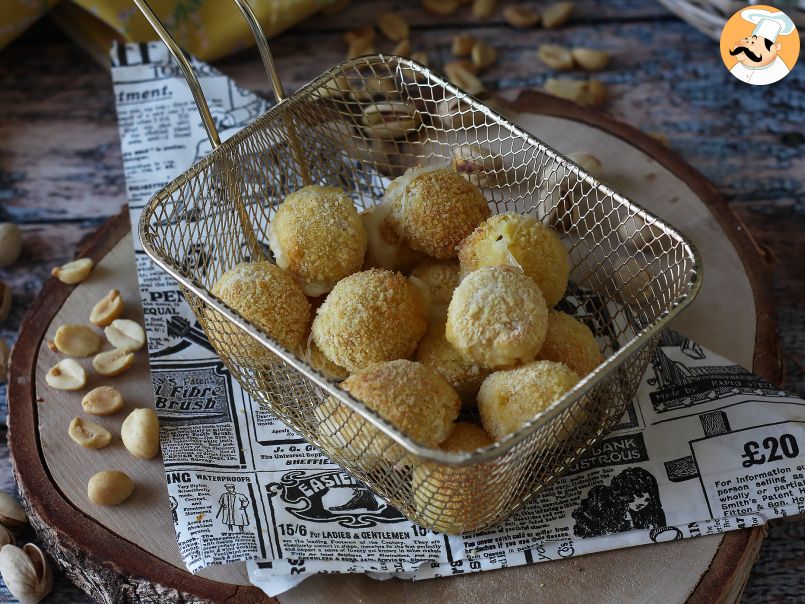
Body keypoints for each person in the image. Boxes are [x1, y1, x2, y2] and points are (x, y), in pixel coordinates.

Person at [729, 9, 796, 85]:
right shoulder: (738, 66)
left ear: (776, 47)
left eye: (753, 43)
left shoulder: (779, 70)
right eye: (747, 40)